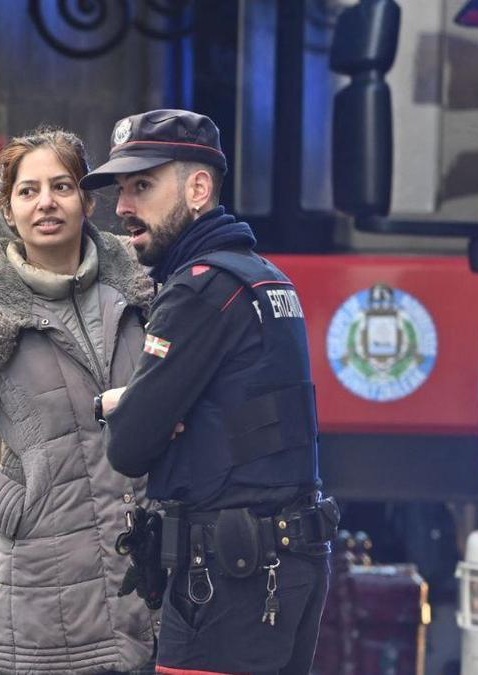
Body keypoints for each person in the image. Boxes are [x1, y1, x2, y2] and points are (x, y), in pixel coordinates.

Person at [86, 110, 338, 675]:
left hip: (227, 580)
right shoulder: (266, 277)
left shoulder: (200, 291)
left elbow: (128, 446)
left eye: (143, 186)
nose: (123, 207)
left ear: (198, 188)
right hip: (285, 569)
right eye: (121, 190)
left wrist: (118, 405)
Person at [0, 127, 156, 674]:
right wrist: (16, 508)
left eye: (62, 186)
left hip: (154, 588)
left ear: (87, 201)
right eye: (27, 190)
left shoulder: (142, 288)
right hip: (48, 601)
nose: (46, 202)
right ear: (8, 208)